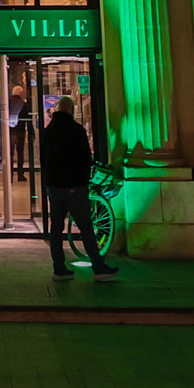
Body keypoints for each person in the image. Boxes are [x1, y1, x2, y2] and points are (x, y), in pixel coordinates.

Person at [38, 94, 114, 279]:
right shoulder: (76, 130)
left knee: (56, 228)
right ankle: (98, 266)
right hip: (74, 186)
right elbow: (84, 159)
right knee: (86, 227)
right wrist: (83, 181)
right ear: (71, 110)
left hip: (54, 186)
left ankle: (59, 268)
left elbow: (44, 160)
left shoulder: (47, 132)